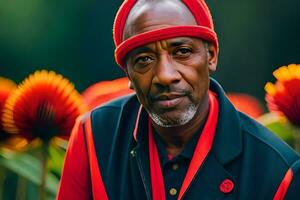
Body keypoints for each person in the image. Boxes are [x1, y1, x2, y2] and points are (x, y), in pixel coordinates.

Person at [57, 0, 300, 199]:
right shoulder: (94, 137)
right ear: (127, 74)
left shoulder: (277, 172)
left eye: (182, 52)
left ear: (211, 56)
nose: (165, 75)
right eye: (144, 60)